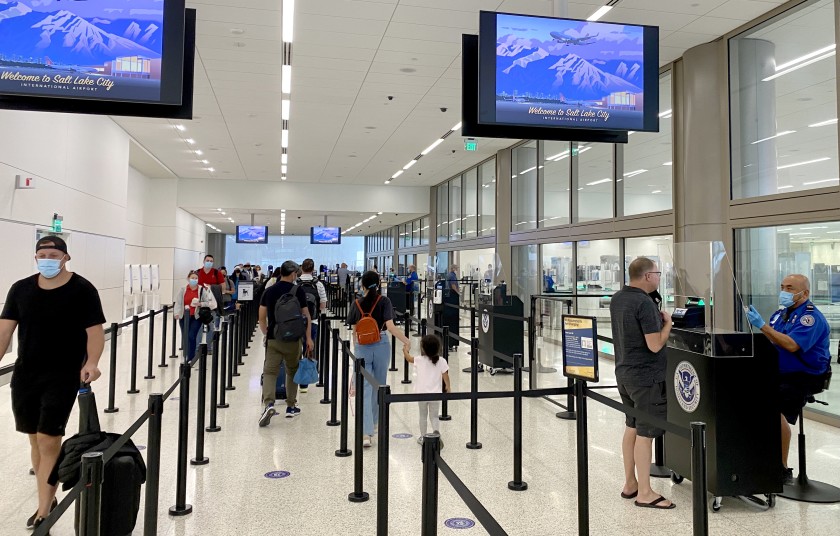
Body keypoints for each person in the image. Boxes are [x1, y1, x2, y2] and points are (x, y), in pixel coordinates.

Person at [0, 236, 106, 530]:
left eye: (52, 254)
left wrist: (92, 362)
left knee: (48, 438)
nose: (46, 259)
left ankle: (44, 509)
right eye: (41, 254)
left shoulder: (82, 289)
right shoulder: (20, 289)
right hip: (25, 375)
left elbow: (95, 332)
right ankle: (48, 493)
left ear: (65, 257)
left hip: (62, 375)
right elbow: (4, 330)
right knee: (34, 438)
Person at [746, 274, 832, 484]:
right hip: (780, 370)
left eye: (791, 288)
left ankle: (781, 468)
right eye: (783, 287)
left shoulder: (810, 318)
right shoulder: (781, 314)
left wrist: (762, 326)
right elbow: (773, 339)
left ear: (805, 293)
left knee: (771, 407)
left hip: (805, 374)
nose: (784, 291)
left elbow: (792, 345)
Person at [609, 257, 674, 510]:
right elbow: (655, 344)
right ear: (648, 276)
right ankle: (645, 493)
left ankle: (630, 483)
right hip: (646, 379)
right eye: (657, 273)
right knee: (646, 435)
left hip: (624, 374)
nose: (659, 278)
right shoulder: (644, 303)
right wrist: (667, 324)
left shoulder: (618, 298)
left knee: (632, 427)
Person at [347, 270, 411, 448]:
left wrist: (356, 350)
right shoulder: (384, 301)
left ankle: (366, 433)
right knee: (379, 385)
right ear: (379, 284)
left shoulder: (356, 304)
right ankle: (374, 423)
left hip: (362, 345)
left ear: (363, 286)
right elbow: (390, 326)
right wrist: (406, 340)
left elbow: (354, 330)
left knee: (365, 388)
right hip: (381, 343)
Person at [258, 260, 315, 426]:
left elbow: (261, 318)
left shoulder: (269, 291)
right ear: (293, 274)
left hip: (274, 338)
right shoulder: (298, 291)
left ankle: (269, 403)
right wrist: (308, 338)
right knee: (292, 371)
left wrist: (266, 333)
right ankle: (291, 406)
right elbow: (306, 317)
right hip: (293, 339)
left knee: (270, 372)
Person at [403, 335, 451, 447]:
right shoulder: (442, 361)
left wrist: (405, 350)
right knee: (434, 416)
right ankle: (436, 433)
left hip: (421, 393)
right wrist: (448, 387)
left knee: (423, 415)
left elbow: (409, 358)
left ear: (423, 348)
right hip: (435, 394)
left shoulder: (419, 360)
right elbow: (446, 375)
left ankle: (423, 436)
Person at [298, 258, 327, 394]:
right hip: (313, 321)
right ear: (313, 269)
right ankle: (305, 382)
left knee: (295, 348)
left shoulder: (295, 282)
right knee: (309, 347)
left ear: (301, 268)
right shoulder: (318, 284)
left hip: (295, 321)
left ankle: (293, 377)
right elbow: (323, 304)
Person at [175, 271, 218, 362]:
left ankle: (191, 357)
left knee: (191, 335)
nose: (194, 280)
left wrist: (200, 303)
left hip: (196, 317)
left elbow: (208, 302)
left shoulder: (201, 290)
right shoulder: (183, 289)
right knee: (185, 336)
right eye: (192, 278)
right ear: (188, 278)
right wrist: (176, 313)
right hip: (184, 316)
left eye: (196, 278)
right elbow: (178, 302)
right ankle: (186, 356)